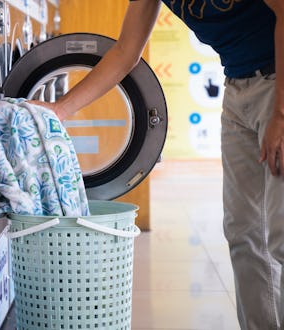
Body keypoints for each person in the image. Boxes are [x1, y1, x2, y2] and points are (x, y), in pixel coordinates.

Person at [29, 1, 284, 329]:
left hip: (278, 86)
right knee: (244, 232)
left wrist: (280, 114)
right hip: (237, 87)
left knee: (280, 234)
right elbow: (125, 51)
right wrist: (59, 110)